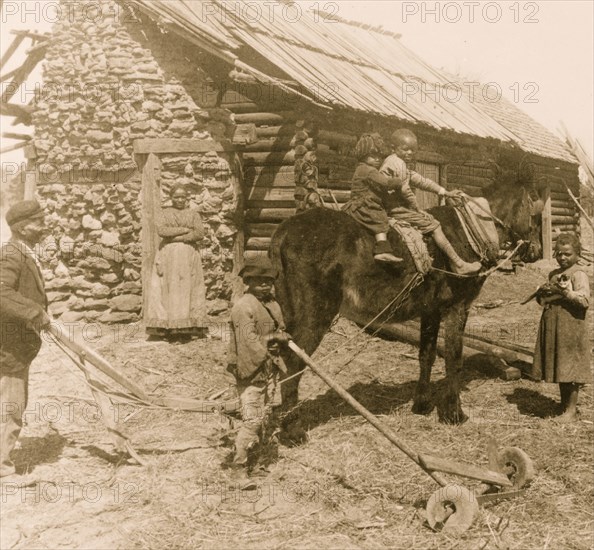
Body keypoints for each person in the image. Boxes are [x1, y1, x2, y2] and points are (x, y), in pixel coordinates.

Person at [380, 129, 482, 276]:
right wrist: (417, 209)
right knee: (434, 226)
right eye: (405, 149)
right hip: (394, 208)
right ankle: (458, 265)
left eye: (412, 150)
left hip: (393, 206)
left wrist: (444, 192)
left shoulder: (397, 163)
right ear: (393, 148)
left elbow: (422, 181)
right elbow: (405, 191)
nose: (409, 153)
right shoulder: (397, 163)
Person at [226, 256, 289, 488]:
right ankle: (238, 470)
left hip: (269, 367)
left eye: (269, 281)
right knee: (252, 419)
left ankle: (260, 463)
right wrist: (273, 338)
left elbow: (279, 327)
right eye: (259, 281)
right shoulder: (243, 307)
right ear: (248, 281)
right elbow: (248, 342)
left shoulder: (271, 304)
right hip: (251, 369)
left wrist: (281, 335)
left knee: (266, 415)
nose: (265, 285)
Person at [1, 200, 51, 487]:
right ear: (22, 227)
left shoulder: (24, 253)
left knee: (13, 403)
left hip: (16, 343)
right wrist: (35, 313)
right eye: (38, 222)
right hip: (8, 345)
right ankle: (2, 469)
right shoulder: (11, 254)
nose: (43, 227)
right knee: (10, 406)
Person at [531, 233, 591, 422]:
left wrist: (567, 292)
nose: (563, 258)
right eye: (559, 254)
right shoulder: (553, 274)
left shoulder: (579, 274)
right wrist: (541, 294)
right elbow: (543, 301)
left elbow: (584, 301)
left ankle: (571, 411)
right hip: (554, 326)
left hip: (571, 328)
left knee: (571, 367)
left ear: (578, 254)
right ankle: (564, 405)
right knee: (561, 365)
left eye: (568, 254)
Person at [146, 185, 207, 343]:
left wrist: (177, 237)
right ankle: (170, 329)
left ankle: (187, 329)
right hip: (168, 256)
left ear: (187, 198)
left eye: (183, 197)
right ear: (171, 197)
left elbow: (199, 233)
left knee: (188, 288)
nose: (180, 200)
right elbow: (162, 231)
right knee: (169, 288)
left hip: (188, 256)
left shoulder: (193, 214)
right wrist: (185, 230)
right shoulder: (164, 213)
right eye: (176, 197)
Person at [342, 133, 406, 265]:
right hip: (365, 205)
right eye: (373, 156)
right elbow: (385, 182)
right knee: (379, 218)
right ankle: (382, 249)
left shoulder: (361, 168)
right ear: (363, 155)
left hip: (356, 203)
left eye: (379, 156)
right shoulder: (369, 170)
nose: (377, 159)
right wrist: (397, 181)